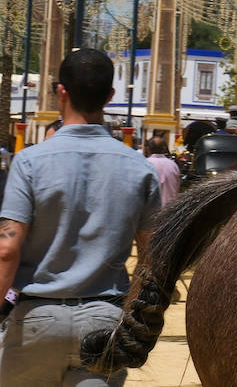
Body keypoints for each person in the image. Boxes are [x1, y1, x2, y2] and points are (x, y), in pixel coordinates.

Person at [0, 49, 161, 386]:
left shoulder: (30, 163)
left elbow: (6, 250)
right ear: (110, 96)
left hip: (37, 320)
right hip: (104, 323)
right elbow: (152, 258)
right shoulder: (140, 169)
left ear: (62, 91)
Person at [143, 135, 181, 208]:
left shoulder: (145, 164)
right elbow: (177, 189)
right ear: (164, 149)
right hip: (169, 211)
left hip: (151, 213)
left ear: (148, 149)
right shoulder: (173, 166)